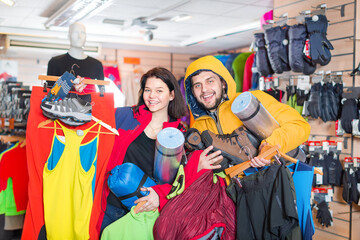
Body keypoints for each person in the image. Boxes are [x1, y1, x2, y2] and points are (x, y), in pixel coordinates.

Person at [152, 56, 311, 240]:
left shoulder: (251, 101)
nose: (204, 90)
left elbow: (300, 126)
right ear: (192, 92)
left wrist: (270, 146)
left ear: (223, 82)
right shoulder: (200, 126)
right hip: (242, 199)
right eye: (197, 85)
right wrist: (199, 164)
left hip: (282, 183)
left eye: (210, 81)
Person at [47, 22, 104, 92]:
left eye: (82, 33)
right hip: (63, 102)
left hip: (90, 103)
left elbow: (102, 93)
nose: (79, 36)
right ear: (69, 36)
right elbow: (50, 93)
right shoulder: (55, 63)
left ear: (86, 37)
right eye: (75, 32)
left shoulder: (96, 65)